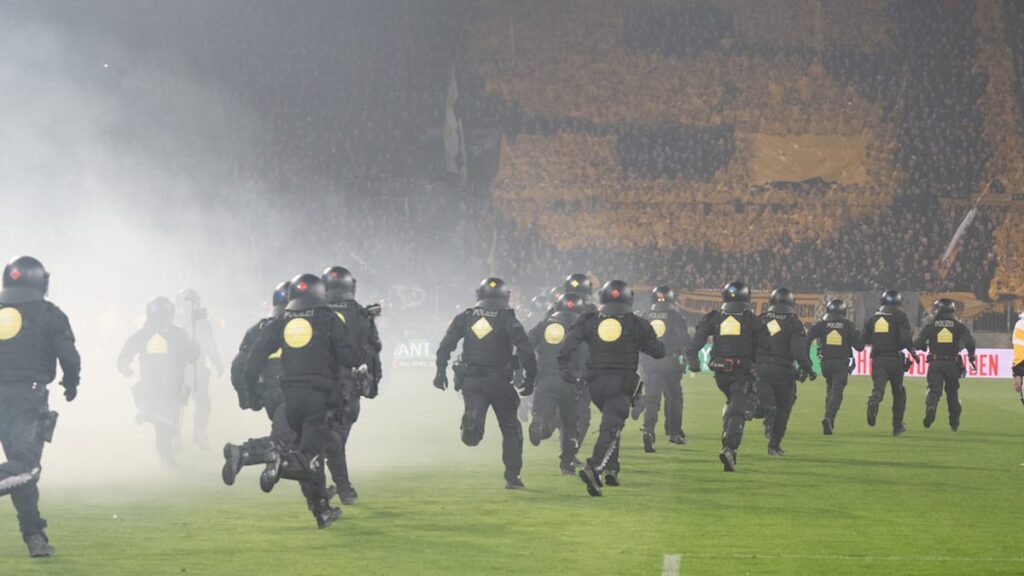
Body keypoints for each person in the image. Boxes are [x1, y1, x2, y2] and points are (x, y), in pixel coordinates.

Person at [243, 273, 369, 529]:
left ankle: (321, 508)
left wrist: (251, 392)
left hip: (289, 399)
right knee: (311, 455)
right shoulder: (328, 318)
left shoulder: (281, 321)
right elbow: (349, 356)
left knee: (306, 450)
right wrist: (362, 353)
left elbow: (254, 358)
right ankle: (273, 461)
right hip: (319, 399)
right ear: (321, 294)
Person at [0, 256, 80, 558]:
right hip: (27, 398)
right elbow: (69, 358)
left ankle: (34, 536)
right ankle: (34, 535)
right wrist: (71, 383)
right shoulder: (50, 314)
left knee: (18, 472)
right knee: (26, 467)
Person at [559, 280, 664, 497]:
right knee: (611, 428)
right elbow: (658, 351)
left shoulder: (589, 320)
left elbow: (568, 344)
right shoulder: (637, 323)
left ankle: (611, 469)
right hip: (621, 383)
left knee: (610, 423)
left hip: (595, 384)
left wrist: (564, 367)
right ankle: (595, 467)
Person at [434, 278, 537, 489]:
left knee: (472, 438)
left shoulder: (466, 316)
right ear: (505, 296)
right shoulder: (507, 318)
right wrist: (530, 377)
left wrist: (440, 371)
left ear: (478, 294)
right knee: (511, 429)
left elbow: (445, 345)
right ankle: (512, 478)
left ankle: (471, 423)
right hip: (499, 382)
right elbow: (525, 349)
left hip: (471, 382)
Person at [222, 281, 297, 485]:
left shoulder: (258, 328)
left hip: (269, 393)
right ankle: (243, 453)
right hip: (292, 391)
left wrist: (248, 398)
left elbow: (239, 365)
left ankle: (318, 496)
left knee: (294, 442)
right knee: (288, 440)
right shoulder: (301, 327)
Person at [685, 281, 765, 472]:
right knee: (739, 408)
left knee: (733, 404)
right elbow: (767, 343)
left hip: (720, 373)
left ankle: (728, 442)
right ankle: (729, 447)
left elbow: (695, 342)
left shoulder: (714, 317)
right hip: (741, 372)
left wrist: (693, 361)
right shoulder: (750, 319)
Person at [322, 266, 382, 505]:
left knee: (321, 439)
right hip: (346, 385)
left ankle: (323, 487)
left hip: (315, 383)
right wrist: (374, 382)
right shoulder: (360, 314)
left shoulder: (315, 311)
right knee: (335, 439)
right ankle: (343, 489)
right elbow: (373, 350)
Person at [118, 296, 199, 467]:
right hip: (156, 387)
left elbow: (191, 356)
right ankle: (167, 459)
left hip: (170, 387)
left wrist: (194, 346)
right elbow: (125, 354)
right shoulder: (151, 334)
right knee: (165, 426)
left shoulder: (176, 334)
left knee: (169, 425)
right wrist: (124, 367)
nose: (160, 319)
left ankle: (149, 416)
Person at [527, 292, 586, 475]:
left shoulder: (546, 323)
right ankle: (567, 465)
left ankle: (540, 422)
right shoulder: (582, 327)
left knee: (546, 416)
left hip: (544, 379)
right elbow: (588, 355)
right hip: (569, 382)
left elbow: (528, 343)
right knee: (570, 425)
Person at [754, 288, 815, 456]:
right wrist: (808, 369)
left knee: (762, 404)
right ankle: (774, 445)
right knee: (783, 409)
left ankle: (744, 410)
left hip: (761, 370)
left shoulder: (761, 319)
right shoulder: (794, 323)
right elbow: (798, 351)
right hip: (784, 372)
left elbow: (750, 343)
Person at [637, 285, 690, 452]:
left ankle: (648, 430)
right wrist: (687, 357)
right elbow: (684, 339)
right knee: (675, 397)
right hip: (669, 362)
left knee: (652, 399)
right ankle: (675, 433)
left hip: (650, 362)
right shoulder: (675, 316)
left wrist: (642, 362)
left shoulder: (646, 316)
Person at [913, 298, 976, 431]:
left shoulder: (931, 325)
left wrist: (924, 347)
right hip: (953, 364)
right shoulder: (958, 325)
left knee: (934, 390)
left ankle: (931, 407)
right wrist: (971, 356)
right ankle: (954, 422)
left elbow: (917, 343)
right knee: (952, 393)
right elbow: (970, 342)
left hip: (936, 363)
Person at [862, 290, 916, 436]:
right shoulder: (900, 316)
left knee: (878, 388)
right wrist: (912, 351)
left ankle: (874, 399)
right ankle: (897, 426)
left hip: (878, 360)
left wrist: (877, 340)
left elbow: (863, 339)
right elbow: (906, 338)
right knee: (898, 393)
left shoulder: (874, 318)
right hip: (895, 359)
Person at [175, 289, 223, 450]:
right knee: (179, 405)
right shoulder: (174, 324)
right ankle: (178, 436)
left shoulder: (200, 323)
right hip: (182, 371)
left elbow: (209, 344)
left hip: (196, 369)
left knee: (201, 403)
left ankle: (198, 432)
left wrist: (217, 363)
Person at [807, 299, 863, 434]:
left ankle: (829, 419)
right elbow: (859, 347)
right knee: (837, 392)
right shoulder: (847, 325)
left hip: (825, 364)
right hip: (841, 363)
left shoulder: (822, 324)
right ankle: (829, 417)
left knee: (830, 389)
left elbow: (808, 338)